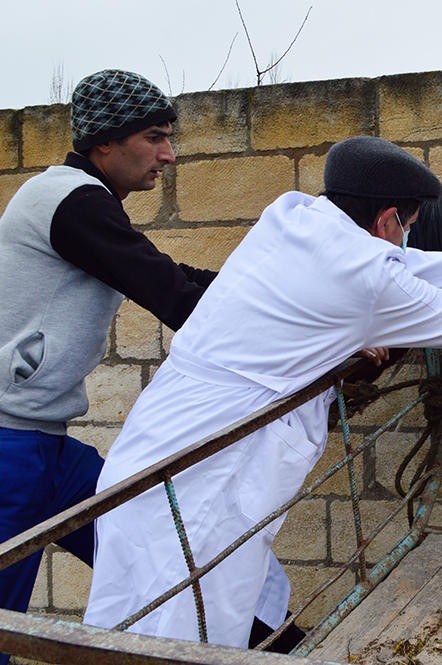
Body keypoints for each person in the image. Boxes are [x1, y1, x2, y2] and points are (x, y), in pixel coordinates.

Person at [83, 135, 442, 649]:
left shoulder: (292, 217)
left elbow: (388, 267)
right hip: (216, 464)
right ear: (388, 219)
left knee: (141, 603)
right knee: (187, 626)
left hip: (160, 437)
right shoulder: (366, 273)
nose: (406, 240)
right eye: (408, 227)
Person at [0, 69, 295, 664]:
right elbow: (176, 296)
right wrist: (312, 322)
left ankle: (279, 644)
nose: (170, 154)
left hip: (47, 449)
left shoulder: (84, 202)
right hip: (9, 451)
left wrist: (302, 306)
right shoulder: (70, 201)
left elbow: (180, 280)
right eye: (155, 137)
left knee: (172, 543)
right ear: (105, 143)